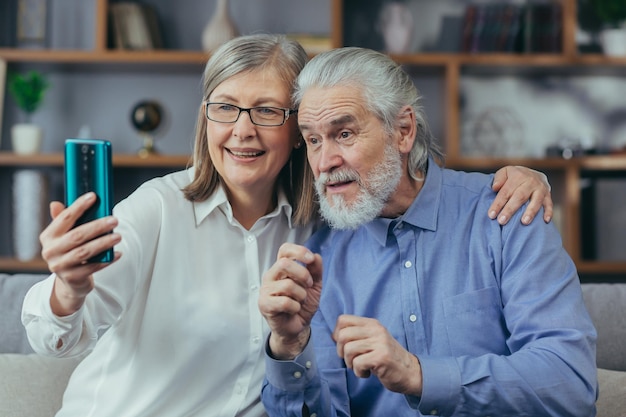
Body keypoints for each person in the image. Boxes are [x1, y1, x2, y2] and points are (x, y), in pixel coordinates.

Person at [22, 35, 551, 417]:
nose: (242, 131)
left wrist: (526, 175)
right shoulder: (157, 208)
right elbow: (58, 338)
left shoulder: (327, 222)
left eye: (267, 112)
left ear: (294, 131)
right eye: (224, 108)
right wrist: (67, 291)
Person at [258, 47, 597, 417]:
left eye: (344, 133)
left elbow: (569, 383)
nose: (324, 162)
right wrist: (290, 345)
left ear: (403, 131)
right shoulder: (318, 263)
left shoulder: (507, 215)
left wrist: (417, 374)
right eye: (313, 140)